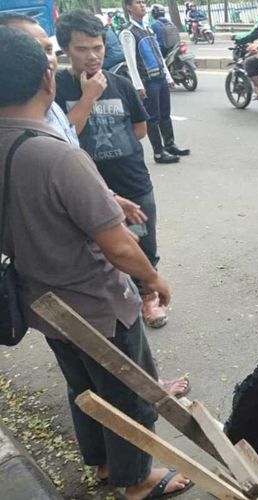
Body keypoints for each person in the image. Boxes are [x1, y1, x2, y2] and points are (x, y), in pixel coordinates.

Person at [0, 26, 192, 499]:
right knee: (129, 395)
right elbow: (120, 247)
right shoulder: (57, 156)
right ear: (49, 80)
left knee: (82, 386)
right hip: (96, 305)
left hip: (42, 304)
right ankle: (136, 480)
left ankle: (103, 464)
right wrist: (153, 280)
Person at [55, 9, 170, 329]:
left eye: (98, 47)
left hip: (133, 183)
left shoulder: (120, 83)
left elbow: (139, 128)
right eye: (82, 49)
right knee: (98, 253)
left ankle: (148, 297)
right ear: (66, 48)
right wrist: (89, 97)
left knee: (142, 243)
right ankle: (113, 305)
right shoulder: (57, 89)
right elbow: (61, 137)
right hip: (87, 189)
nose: (92, 56)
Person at [120, 0, 190, 164]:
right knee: (153, 117)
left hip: (159, 77)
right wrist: (138, 85)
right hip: (147, 80)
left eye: (144, 2)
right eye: (138, 2)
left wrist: (168, 76)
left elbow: (159, 55)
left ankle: (170, 145)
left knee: (165, 113)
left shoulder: (148, 29)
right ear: (129, 7)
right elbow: (130, 61)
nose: (142, 5)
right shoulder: (128, 32)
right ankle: (159, 153)